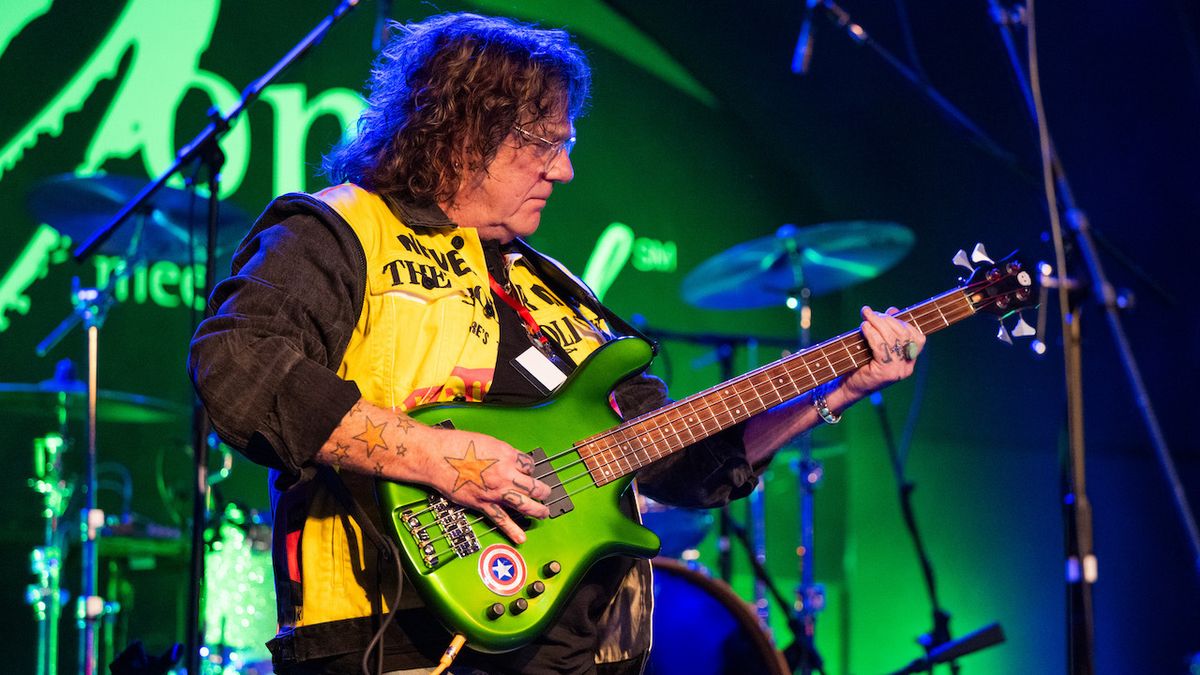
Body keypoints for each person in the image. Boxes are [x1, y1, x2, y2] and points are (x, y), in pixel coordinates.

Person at [188, 12, 924, 675]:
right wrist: (444, 459)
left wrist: (832, 391)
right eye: (543, 143)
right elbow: (238, 365)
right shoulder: (341, 229)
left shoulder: (555, 287)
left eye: (565, 145)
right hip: (396, 636)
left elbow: (678, 463)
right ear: (461, 128)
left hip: (580, 652)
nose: (564, 170)